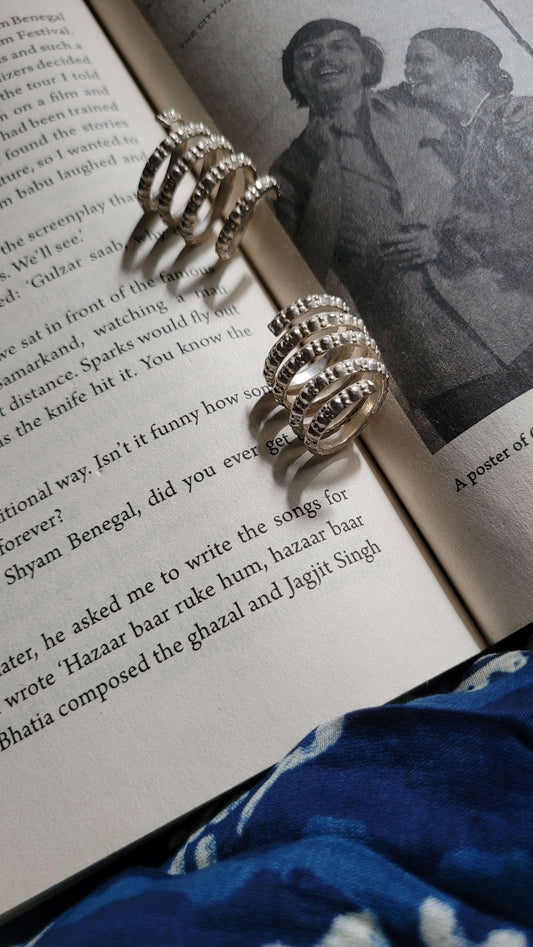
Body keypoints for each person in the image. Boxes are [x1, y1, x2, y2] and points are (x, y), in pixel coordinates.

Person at [271, 20, 528, 446]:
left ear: (366, 58)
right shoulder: (291, 169)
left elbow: (489, 117)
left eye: (340, 47)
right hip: (439, 361)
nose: (326, 59)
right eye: (308, 54)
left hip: (512, 308)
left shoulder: (420, 102)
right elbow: (302, 284)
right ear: (294, 76)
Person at [384, 27, 533, 438]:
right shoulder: (462, 135)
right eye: (407, 62)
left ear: (467, 69)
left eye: (422, 60)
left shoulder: (516, 118)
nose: (410, 71)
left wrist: (446, 240)